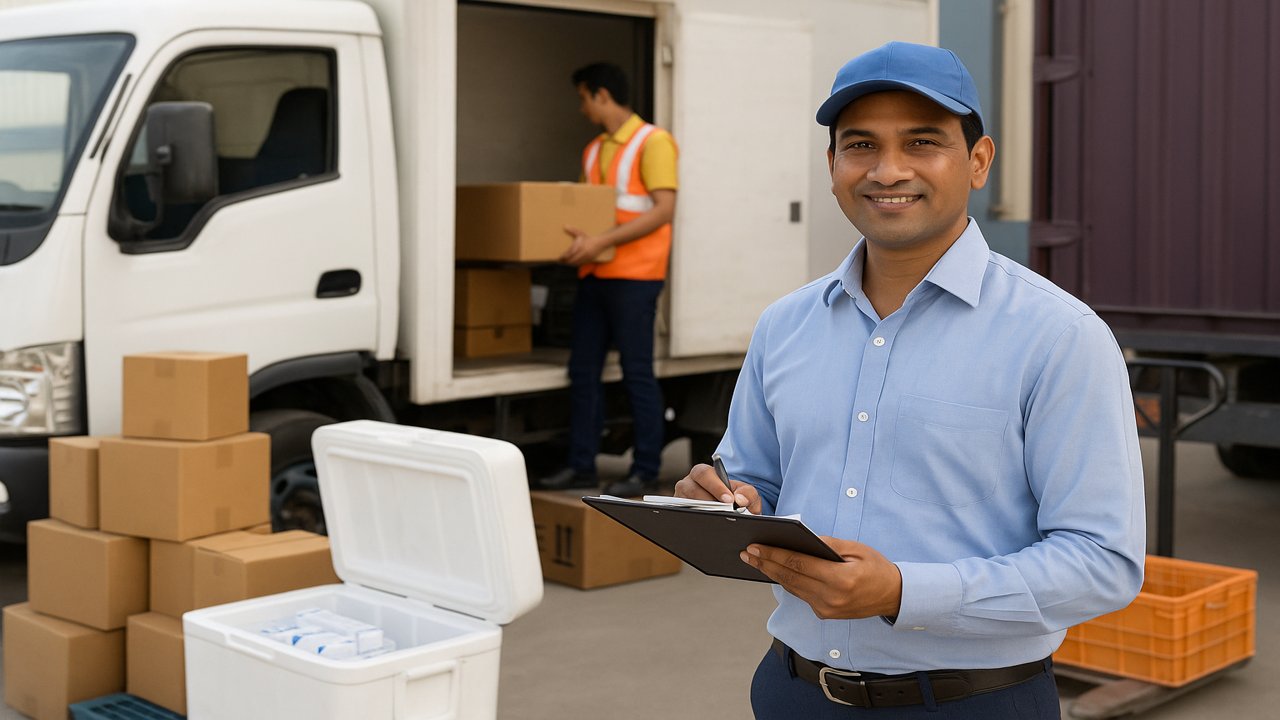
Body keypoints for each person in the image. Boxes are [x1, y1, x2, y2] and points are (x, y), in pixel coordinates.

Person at [676, 41, 1145, 718]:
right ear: (832, 165)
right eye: (860, 145)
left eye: (922, 142)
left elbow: (1103, 562)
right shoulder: (786, 325)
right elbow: (756, 479)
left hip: (973, 703)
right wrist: (722, 499)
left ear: (978, 161)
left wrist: (902, 592)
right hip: (792, 692)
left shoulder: (1058, 336)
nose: (887, 170)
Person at [542, 62, 679, 497]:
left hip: (636, 278)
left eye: (583, 98)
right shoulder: (593, 149)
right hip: (594, 275)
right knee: (582, 372)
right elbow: (588, 209)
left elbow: (663, 209)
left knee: (637, 373)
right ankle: (581, 466)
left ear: (601, 95)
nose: (581, 108)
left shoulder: (653, 142)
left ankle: (645, 471)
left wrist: (601, 239)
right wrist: (579, 241)